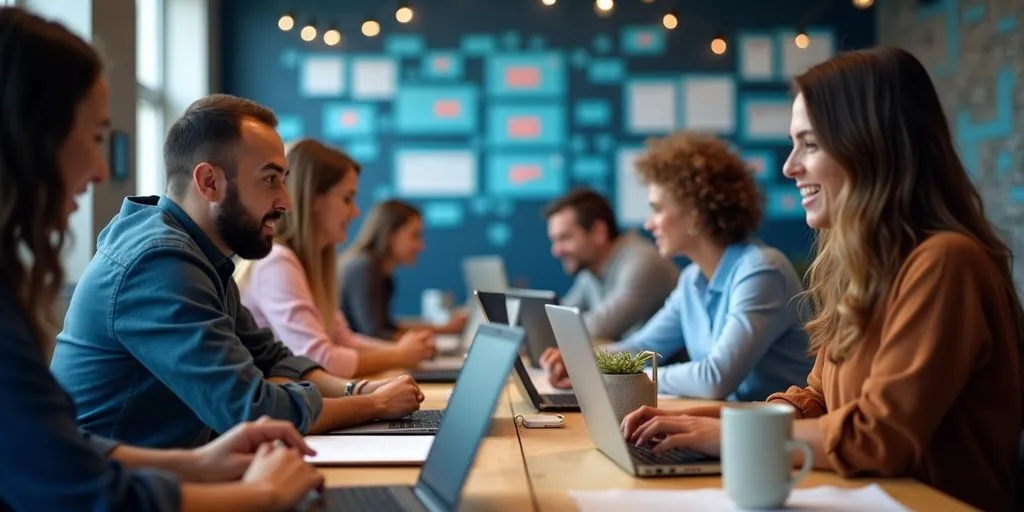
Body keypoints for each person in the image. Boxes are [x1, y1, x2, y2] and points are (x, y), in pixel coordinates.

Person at [620, 47, 1023, 512]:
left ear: (871, 146)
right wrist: (703, 419)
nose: (790, 166)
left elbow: (876, 436)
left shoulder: (946, 263)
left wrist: (724, 434)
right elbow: (817, 398)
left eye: (810, 144)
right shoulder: (862, 267)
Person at [0, 7, 323, 510]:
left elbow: (56, 446)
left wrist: (196, 463)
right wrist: (260, 494)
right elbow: (81, 493)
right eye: (94, 136)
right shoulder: (160, 259)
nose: (102, 167)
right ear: (30, 137)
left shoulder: (201, 255)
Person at [50, 93, 424, 450]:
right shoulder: (159, 262)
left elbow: (272, 357)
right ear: (209, 182)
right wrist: (374, 406)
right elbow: (251, 409)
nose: (286, 201)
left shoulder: (202, 255)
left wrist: (359, 391)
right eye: (270, 179)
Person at [541, 132, 812, 401]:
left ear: (695, 213)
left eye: (657, 209)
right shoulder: (693, 279)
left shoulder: (761, 271)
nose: (649, 224)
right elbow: (642, 347)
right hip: (724, 426)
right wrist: (582, 362)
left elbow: (714, 378)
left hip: (770, 436)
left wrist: (624, 377)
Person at [235, 139, 435, 378]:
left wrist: (406, 351)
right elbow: (318, 359)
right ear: (312, 199)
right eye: (347, 198)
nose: (356, 212)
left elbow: (343, 340)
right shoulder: (276, 261)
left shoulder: (308, 264)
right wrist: (400, 354)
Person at [544, 188, 679, 340]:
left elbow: (600, 326)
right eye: (554, 240)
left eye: (565, 238)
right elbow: (563, 315)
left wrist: (541, 331)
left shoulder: (643, 262)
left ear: (598, 232)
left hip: (660, 363)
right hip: (632, 361)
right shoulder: (590, 271)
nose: (556, 251)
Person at [338, 199, 467, 340]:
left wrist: (445, 329)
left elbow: (388, 327)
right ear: (390, 234)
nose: (421, 246)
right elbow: (376, 335)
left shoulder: (380, 273)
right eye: (414, 236)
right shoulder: (364, 269)